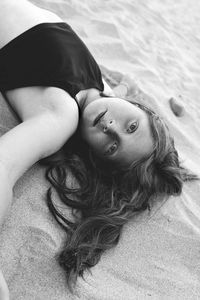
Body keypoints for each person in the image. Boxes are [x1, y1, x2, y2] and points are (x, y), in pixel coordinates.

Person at [0, 0, 197, 296]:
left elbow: (4, 165)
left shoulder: (61, 116)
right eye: (132, 126)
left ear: (94, 155)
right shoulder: (100, 88)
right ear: (141, 108)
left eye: (112, 146)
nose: (111, 128)